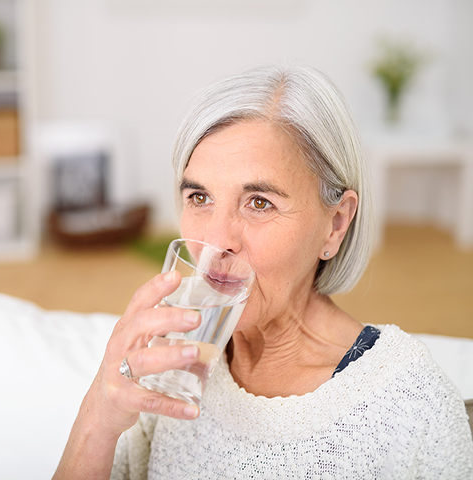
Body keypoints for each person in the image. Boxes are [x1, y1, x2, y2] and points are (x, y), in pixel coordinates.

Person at [53, 65, 473, 480]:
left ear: (336, 224)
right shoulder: (166, 368)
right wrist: (97, 419)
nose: (217, 242)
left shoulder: (411, 403)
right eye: (199, 197)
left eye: (259, 203)